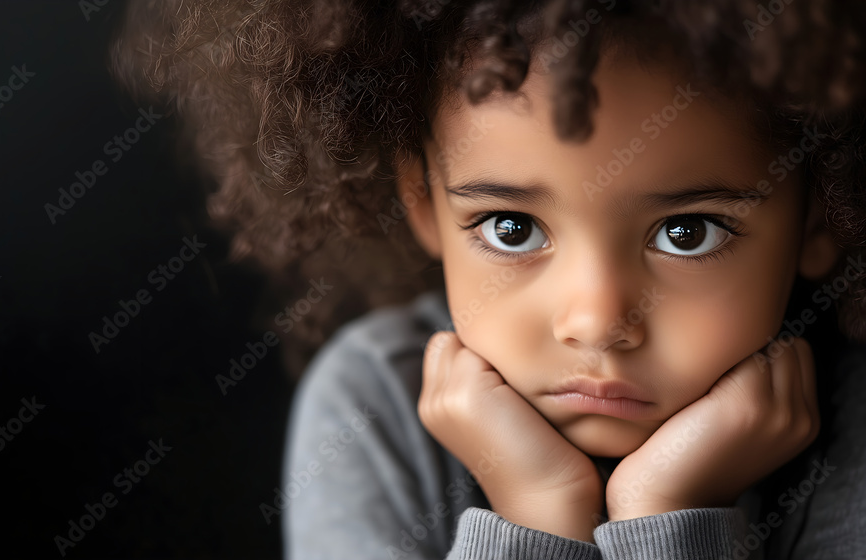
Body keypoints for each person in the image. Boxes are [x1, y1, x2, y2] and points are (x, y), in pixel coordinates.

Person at [111, 0, 866, 557]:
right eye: (512, 228)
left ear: (821, 219)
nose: (596, 321)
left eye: (686, 232)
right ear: (424, 205)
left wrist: (672, 514)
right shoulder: (372, 410)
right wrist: (537, 513)